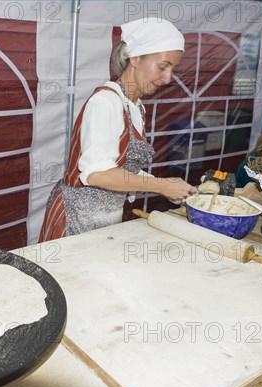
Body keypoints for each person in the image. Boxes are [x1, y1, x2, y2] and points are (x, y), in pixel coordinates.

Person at [39, 17, 195, 242]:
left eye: (173, 69)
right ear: (135, 58)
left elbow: (121, 169)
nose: (168, 78)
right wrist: (161, 185)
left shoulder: (135, 107)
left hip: (106, 218)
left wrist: (169, 188)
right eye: (162, 67)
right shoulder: (105, 102)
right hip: (75, 218)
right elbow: (97, 173)